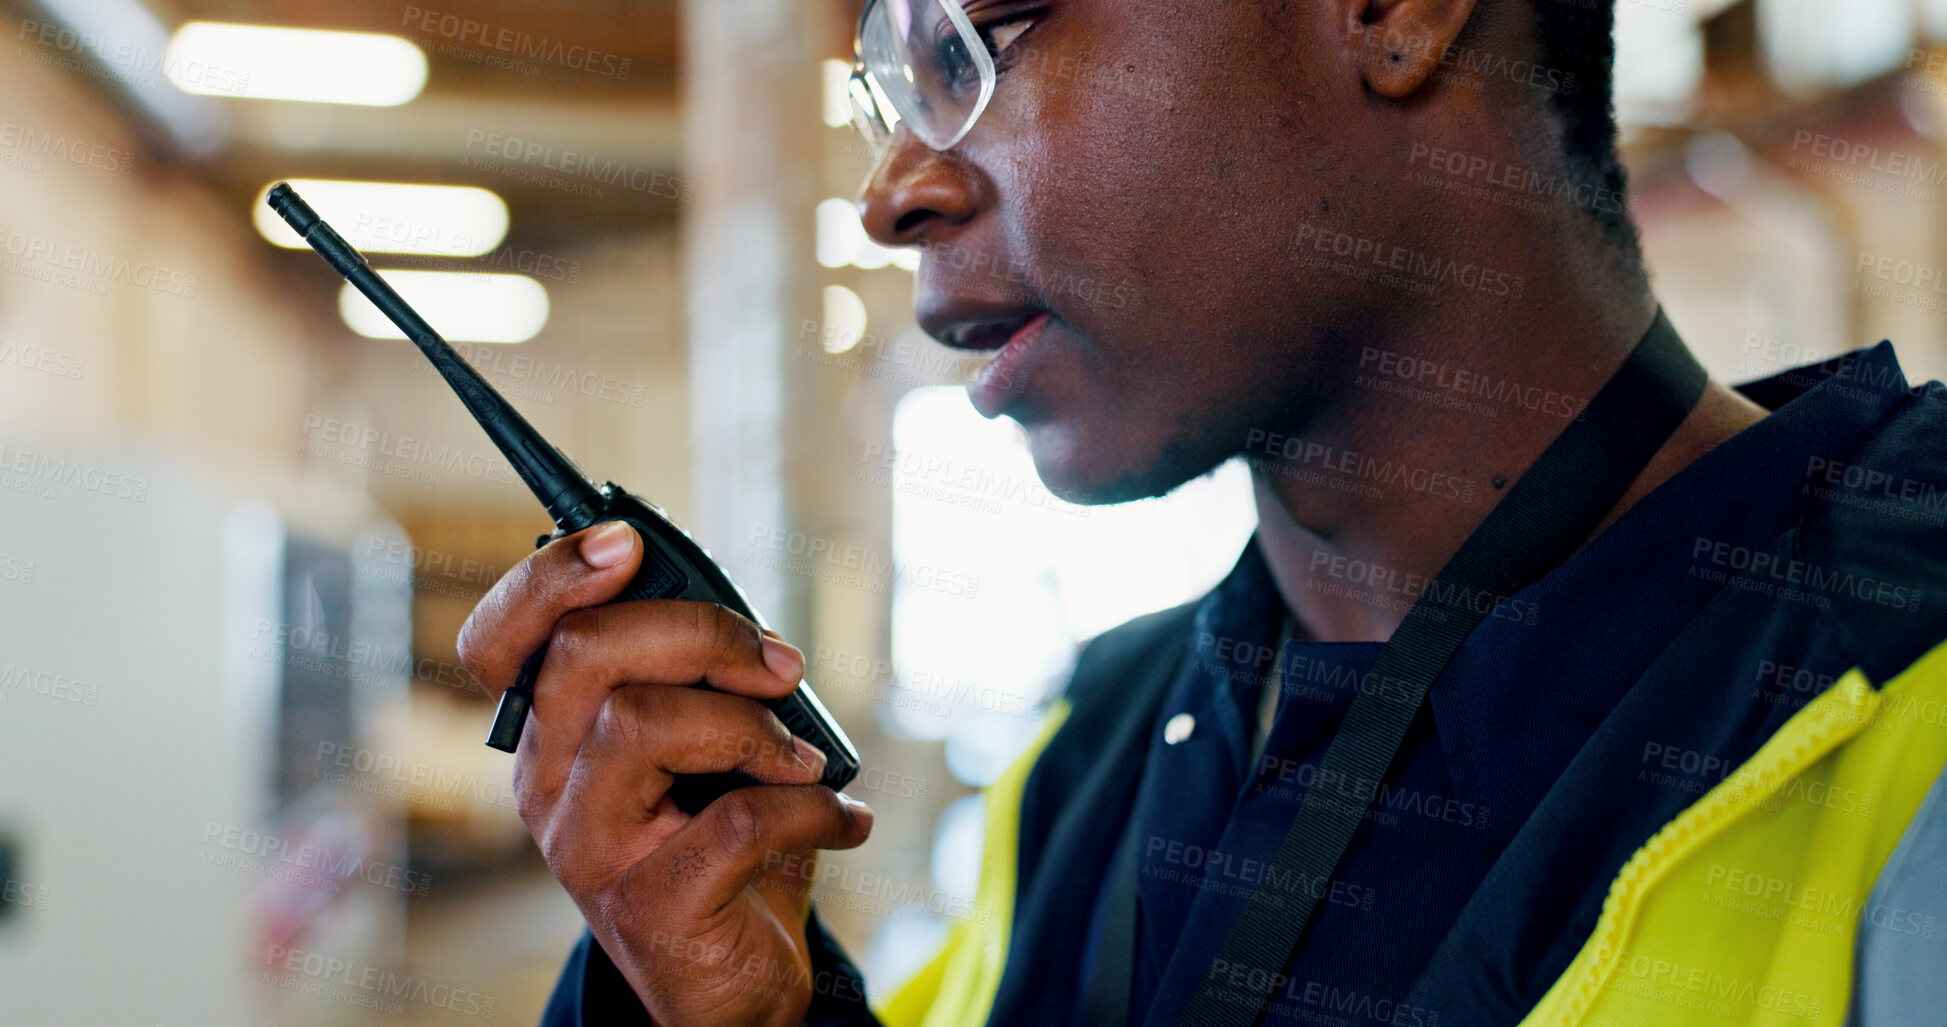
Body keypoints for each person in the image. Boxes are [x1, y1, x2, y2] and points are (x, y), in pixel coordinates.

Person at [459, 0, 1947, 1023]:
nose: (892, 189)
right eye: (890, 85)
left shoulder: (1909, 715)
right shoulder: (1091, 759)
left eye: (987, 34)